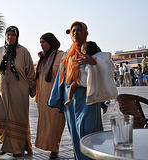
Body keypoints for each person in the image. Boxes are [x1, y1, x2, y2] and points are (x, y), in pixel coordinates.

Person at [48, 21, 103, 160]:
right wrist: (57, 98)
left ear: (85, 32)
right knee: (75, 133)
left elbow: (105, 68)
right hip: (71, 100)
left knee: (89, 131)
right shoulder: (67, 54)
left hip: (89, 97)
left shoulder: (94, 49)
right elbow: (61, 78)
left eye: (79, 30)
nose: (75, 33)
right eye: (73, 30)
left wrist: (92, 61)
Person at [0, 26, 36, 157]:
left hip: (19, 93)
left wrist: (30, 89)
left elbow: (31, 74)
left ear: (17, 37)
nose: (10, 37)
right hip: (1, 92)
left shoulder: (23, 52)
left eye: (13, 35)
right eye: (8, 34)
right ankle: (5, 143)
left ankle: (17, 148)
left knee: (17, 119)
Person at [34, 33, 65, 159]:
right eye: (40, 42)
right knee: (46, 123)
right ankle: (50, 146)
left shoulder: (60, 55)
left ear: (51, 42)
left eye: (44, 42)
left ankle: (54, 148)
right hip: (43, 97)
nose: (42, 45)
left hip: (55, 97)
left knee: (56, 123)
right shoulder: (43, 58)